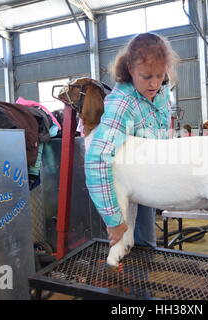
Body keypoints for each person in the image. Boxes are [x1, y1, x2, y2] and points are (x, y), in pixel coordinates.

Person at [85, 32, 179, 248]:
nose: (155, 83)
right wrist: (114, 219)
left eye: (160, 75)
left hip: (150, 174)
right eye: (146, 77)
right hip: (124, 180)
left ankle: (141, 272)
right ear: (130, 70)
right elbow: (96, 160)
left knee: (146, 241)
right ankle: (129, 275)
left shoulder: (162, 89)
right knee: (124, 241)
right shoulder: (123, 103)